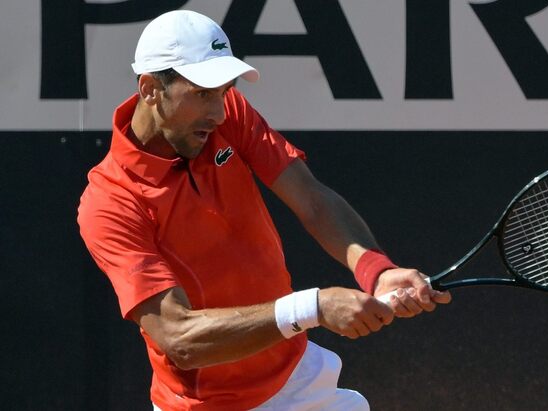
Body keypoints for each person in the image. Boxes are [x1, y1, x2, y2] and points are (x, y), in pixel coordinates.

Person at [77, 10, 450, 411]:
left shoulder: (225, 115)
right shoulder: (110, 203)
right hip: (208, 406)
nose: (219, 112)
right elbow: (179, 337)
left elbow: (311, 199)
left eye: (225, 91)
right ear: (151, 89)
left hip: (299, 376)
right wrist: (313, 307)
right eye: (202, 93)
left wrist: (376, 270)